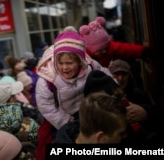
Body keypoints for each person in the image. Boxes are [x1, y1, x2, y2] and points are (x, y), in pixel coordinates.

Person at [35, 29, 112, 160]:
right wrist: (63, 119)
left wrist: (114, 87)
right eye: (60, 63)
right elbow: (45, 106)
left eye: (69, 63)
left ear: (80, 61)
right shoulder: (47, 80)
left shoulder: (90, 66)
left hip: (86, 111)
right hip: (62, 116)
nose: (64, 67)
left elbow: (104, 72)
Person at [108, 59, 157, 143]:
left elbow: (155, 115)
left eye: (124, 74)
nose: (120, 78)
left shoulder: (137, 93)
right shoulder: (106, 96)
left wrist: (145, 111)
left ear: (129, 75)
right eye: (116, 74)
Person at [79, 16, 150, 67]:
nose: (104, 51)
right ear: (90, 49)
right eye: (100, 50)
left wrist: (143, 51)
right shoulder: (83, 56)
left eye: (105, 48)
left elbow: (126, 49)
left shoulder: (110, 47)